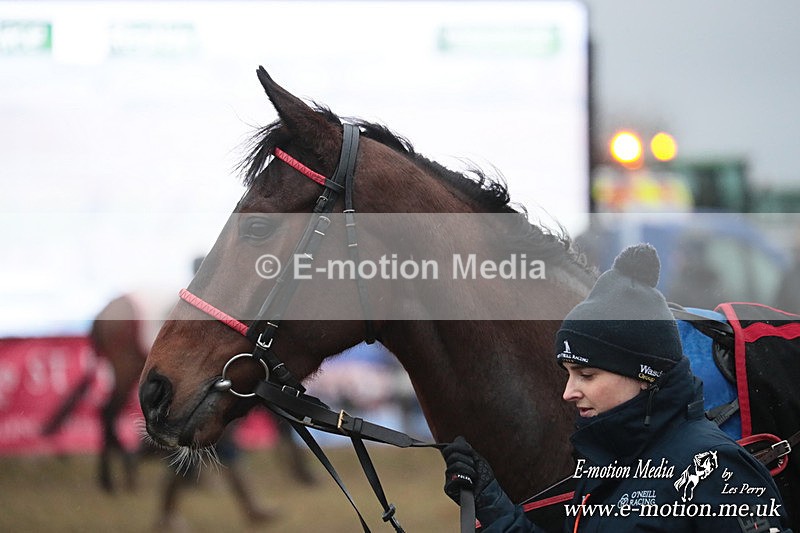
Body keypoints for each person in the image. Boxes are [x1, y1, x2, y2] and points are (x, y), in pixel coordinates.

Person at [441, 244, 792, 531]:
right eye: (567, 373)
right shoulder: (604, 463)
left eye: (586, 375)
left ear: (645, 374)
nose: (568, 392)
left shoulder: (716, 466)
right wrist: (490, 502)